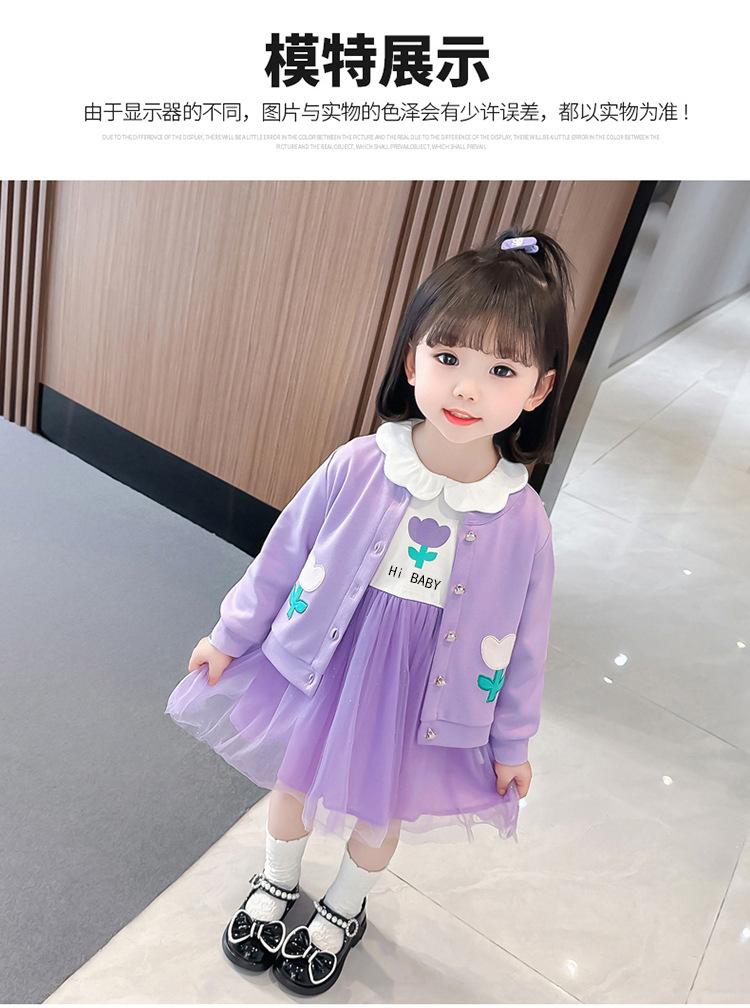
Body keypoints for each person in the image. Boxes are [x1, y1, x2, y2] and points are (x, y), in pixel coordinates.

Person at [165, 225, 575, 996]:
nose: (466, 389)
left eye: (500, 370)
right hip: (332, 661)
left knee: (379, 813)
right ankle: (277, 881)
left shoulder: (522, 520)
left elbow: (527, 643)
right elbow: (284, 556)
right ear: (412, 357)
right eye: (448, 358)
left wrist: (512, 741)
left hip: (423, 690)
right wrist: (229, 635)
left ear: (538, 389)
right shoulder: (360, 464)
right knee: (293, 784)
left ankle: (343, 909)